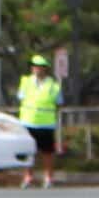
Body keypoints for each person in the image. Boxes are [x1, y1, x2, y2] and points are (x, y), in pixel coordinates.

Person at [16, 53, 63, 188]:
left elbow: (59, 102)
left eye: (40, 67)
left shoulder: (53, 85)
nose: (37, 69)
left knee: (47, 152)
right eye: (35, 66)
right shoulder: (26, 82)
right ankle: (28, 178)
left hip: (46, 124)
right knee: (28, 151)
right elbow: (20, 97)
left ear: (45, 69)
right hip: (27, 122)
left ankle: (48, 178)